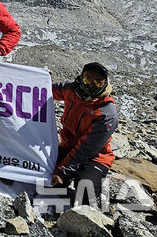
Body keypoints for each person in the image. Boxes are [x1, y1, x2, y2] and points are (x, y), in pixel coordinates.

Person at [51, 62, 117, 208]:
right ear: (81, 77)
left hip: (95, 157)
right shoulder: (71, 89)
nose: (91, 85)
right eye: (88, 79)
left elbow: (86, 149)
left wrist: (62, 172)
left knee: (86, 191)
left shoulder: (106, 114)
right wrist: (42, 78)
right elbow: (46, 90)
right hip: (68, 147)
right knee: (42, 172)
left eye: (98, 82)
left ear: (105, 84)